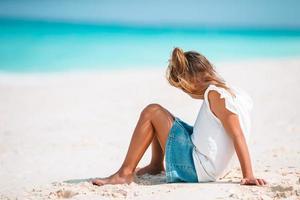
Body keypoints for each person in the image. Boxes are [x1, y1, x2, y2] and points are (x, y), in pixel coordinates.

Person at [91, 47, 267, 186]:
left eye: (183, 88)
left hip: (198, 169)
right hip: (211, 166)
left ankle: (124, 174)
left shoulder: (216, 95)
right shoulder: (233, 92)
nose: (185, 92)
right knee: (167, 120)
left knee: (152, 111)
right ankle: (155, 166)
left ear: (189, 82)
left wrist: (248, 175)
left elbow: (237, 134)